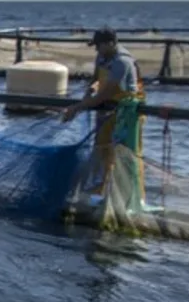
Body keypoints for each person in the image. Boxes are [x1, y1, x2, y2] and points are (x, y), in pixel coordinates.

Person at [61, 27, 146, 199]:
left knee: (121, 154)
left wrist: (77, 107)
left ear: (110, 43)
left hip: (125, 112)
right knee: (101, 150)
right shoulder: (101, 57)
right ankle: (99, 190)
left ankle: (123, 196)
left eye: (99, 45)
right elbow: (97, 82)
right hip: (105, 109)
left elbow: (106, 93)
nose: (96, 49)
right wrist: (89, 91)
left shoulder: (122, 62)